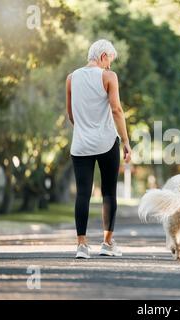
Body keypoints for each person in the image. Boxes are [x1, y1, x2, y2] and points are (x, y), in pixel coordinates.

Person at [66, 39, 131, 259]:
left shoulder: (71, 78)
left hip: (80, 144)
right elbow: (117, 110)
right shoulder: (108, 77)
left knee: (82, 193)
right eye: (109, 61)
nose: (110, 66)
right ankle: (107, 242)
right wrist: (126, 141)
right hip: (106, 142)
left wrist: (85, 130)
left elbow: (71, 115)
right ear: (103, 56)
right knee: (108, 192)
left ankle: (81, 246)